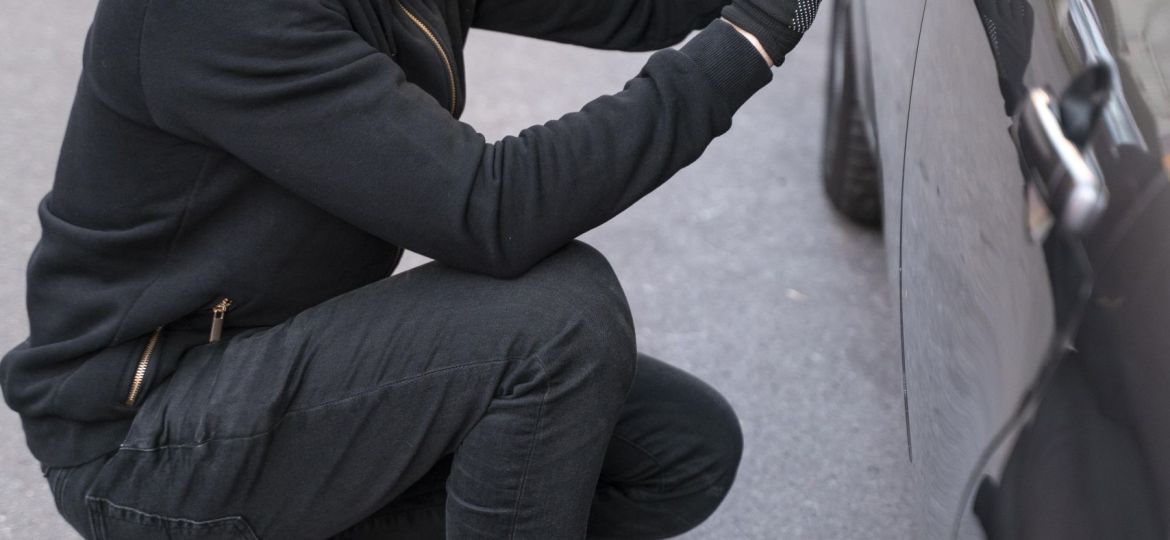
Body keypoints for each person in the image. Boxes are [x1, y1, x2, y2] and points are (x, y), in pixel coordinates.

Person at [0, 0, 822, 537]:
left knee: (678, 451)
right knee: (556, 320)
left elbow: (633, 6)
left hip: (287, 375)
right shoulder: (214, 16)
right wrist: (751, 38)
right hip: (147, 438)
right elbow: (493, 210)